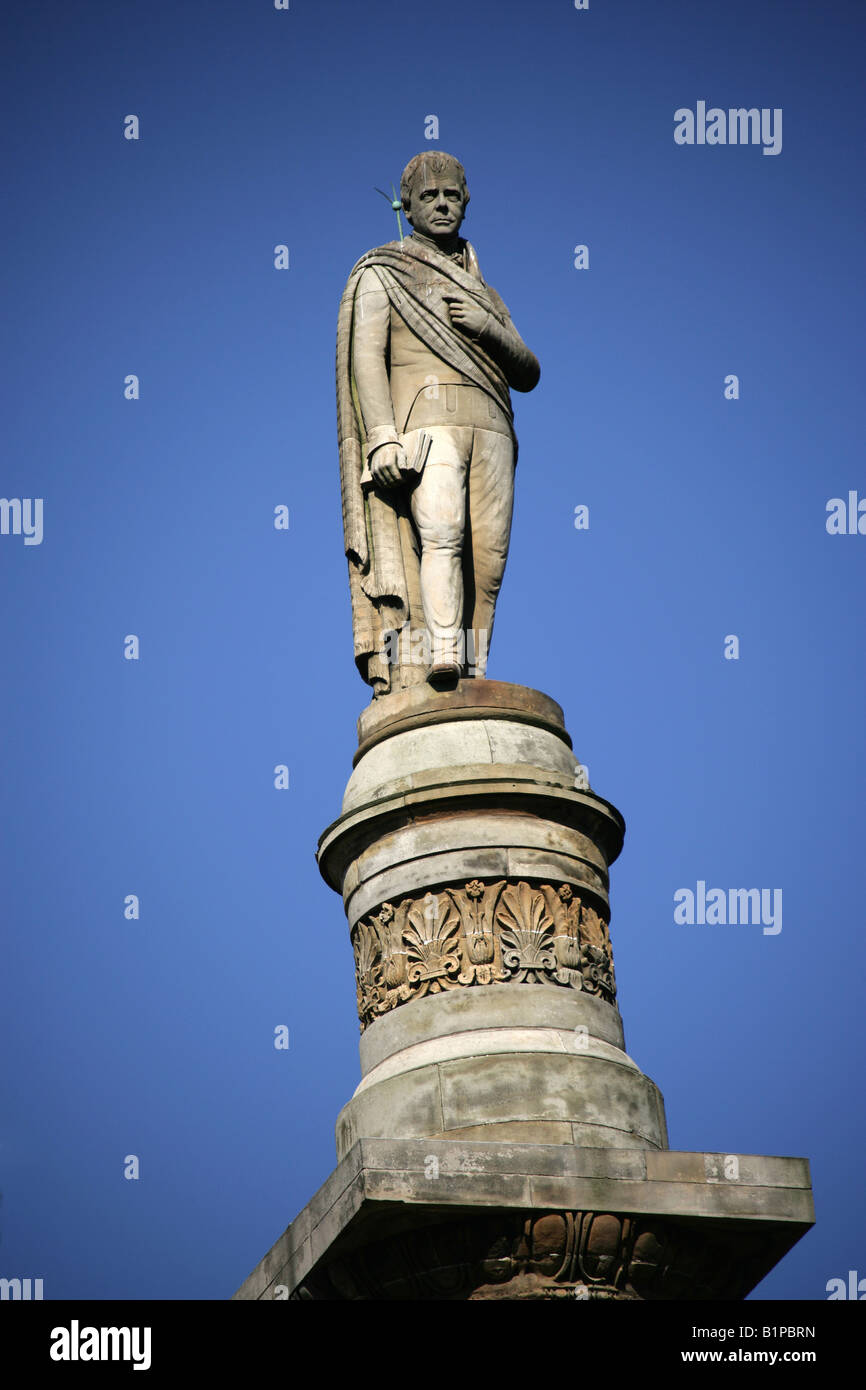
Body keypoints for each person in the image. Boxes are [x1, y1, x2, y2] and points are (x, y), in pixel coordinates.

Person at [336, 150, 540, 697]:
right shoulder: (383, 270)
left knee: (488, 565)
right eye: (430, 196)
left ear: (466, 202)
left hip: (493, 426)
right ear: (408, 205)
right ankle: (443, 654)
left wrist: (487, 327)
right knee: (441, 533)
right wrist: (381, 438)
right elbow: (365, 358)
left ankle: (474, 671)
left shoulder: (486, 295)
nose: (443, 204)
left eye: (452, 195)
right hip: (427, 424)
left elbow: (529, 371)